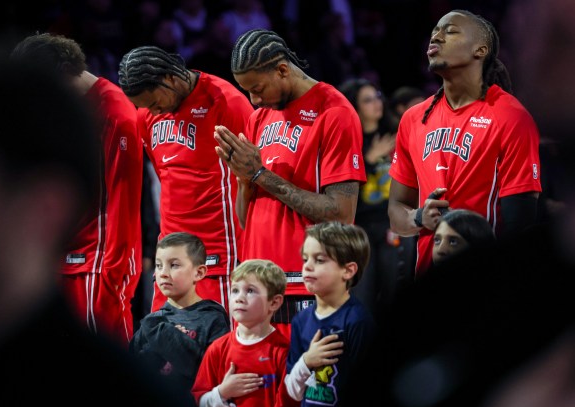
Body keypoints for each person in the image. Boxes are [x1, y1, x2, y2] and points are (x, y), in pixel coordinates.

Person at [0, 47, 198, 407]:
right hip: (70, 256)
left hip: (99, 260)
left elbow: (123, 195)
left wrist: (115, 268)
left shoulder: (115, 111)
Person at [213, 29, 366, 336]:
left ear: (282, 70)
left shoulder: (334, 113)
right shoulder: (259, 118)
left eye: (257, 89)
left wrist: (261, 175)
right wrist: (245, 181)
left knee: (303, 383)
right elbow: (248, 219)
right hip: (255, 283)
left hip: (303, 284)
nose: (253, 100)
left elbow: (341, 214)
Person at [11, 32, 144, 346]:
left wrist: (112, 276)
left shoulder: (116, 115)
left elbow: (123, 204)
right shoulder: (65, 110)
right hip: (63, 258)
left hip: (97, 264)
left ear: (59, 73)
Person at [387, 10, 542, 278]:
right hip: (427, 280)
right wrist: (417, 217)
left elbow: (521, 225)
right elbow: (396, 210)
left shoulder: (510, 116)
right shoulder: (414, 119)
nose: (436, 35)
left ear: (480, 50)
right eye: (436, 29)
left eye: (450, 30)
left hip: (485, 281)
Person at [118, 45, 254, 314]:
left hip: (218, 255)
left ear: (170, 78)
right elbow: (164, 176)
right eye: (146, 107)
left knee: (217, 350)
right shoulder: (146, 116)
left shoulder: (225, 102)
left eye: (155, 103)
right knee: (164, 349)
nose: (153, 112)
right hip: (170, 255)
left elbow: (252, 175)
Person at [284, 221, 376, 407]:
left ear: (348, 270)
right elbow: (293, 391)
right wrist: (307, 361)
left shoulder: (358, 321)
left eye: (319, 260)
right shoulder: (301, 321)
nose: (307, 267)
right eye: (305, 259)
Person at [338, 77, 408, 323]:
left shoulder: (395, 133)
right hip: (361, 229)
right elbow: (342, 186)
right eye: (368, 100)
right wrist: (368, 159)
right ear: (355, 107)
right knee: (363, 297)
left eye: (377, 96)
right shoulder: (348, 140)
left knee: (394, 294)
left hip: (391, 224)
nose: (377, 102)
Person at [191, 259, 300, 407]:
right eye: (235, 290)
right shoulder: (218, 349)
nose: (239, 298)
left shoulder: (283, 352)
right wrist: (222, 393)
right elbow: (199, 405)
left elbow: (289, 406)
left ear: (274, 302)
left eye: (250, 291)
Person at [129, 232, 230, 392]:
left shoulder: (213, 318)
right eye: (159, 265)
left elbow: (212, 376)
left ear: (199, 272)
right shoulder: (152, 321)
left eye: (174, 265)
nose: (162, 273)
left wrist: (169, 336)